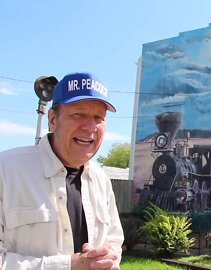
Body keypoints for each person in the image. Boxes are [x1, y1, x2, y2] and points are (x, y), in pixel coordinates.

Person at [0, 72, 124, 269]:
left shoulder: (101, 180)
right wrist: (67, 265)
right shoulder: (6, 171)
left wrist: (108, 257)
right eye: (78, 114)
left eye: (98, 117)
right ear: (52, 119)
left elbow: (114, 240)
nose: (90, 127)